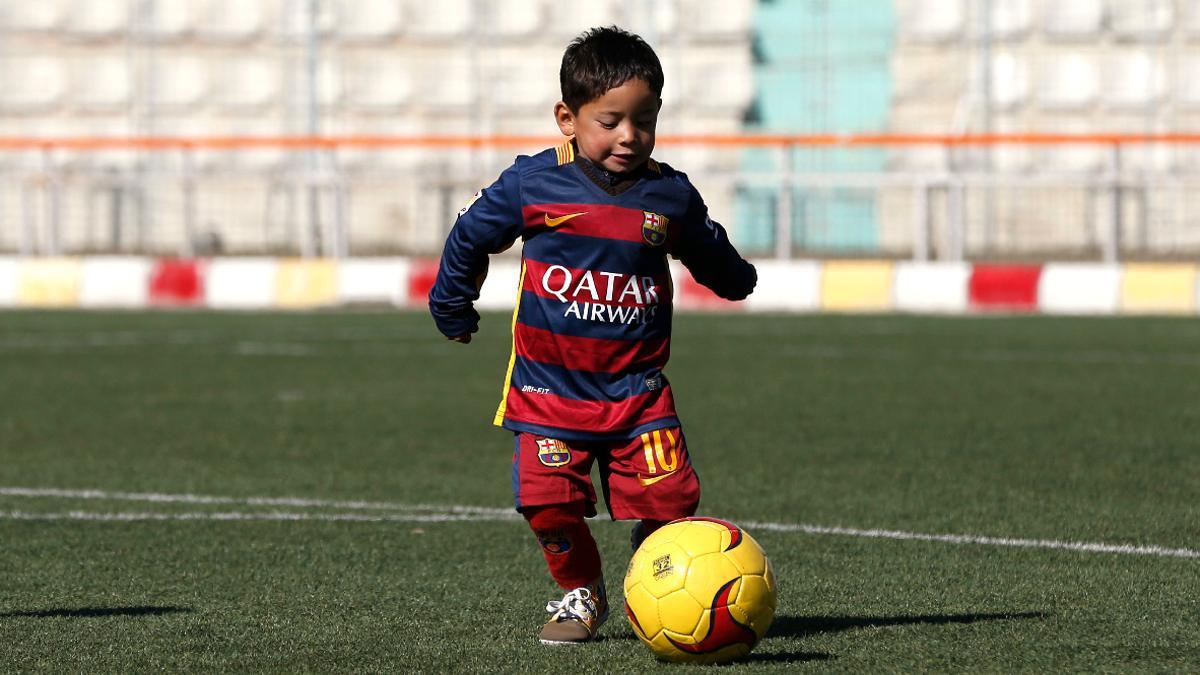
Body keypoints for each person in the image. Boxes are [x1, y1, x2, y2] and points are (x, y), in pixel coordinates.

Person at [429, 26, 757, 645]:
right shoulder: (533, 184)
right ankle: (580, 591)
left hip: (637, 394)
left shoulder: (670, 195)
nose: (629, 136)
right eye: (610, 121)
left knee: (672, 506)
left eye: (644, 120)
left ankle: (654, 574)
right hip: (548, 392)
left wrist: (735, 279)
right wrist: (452, 303)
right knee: (546, 503)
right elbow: (471, 234)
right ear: (567, 118)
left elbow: (709, 249)